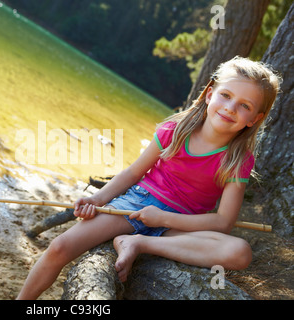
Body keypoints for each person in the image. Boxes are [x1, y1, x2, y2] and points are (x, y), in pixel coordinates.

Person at [16, 56, 281, 300]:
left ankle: (139, 244)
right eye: (225, 95)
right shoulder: (173, 131)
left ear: (254, 119)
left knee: (240, 252)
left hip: (181, 225)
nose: (230, 108)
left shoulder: (238, 161)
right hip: (134, 206)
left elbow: (222, 223)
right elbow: (133, 173)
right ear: (210, 94)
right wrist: (96, 199)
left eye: (244, 105)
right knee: (61, 246)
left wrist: (163, 218)